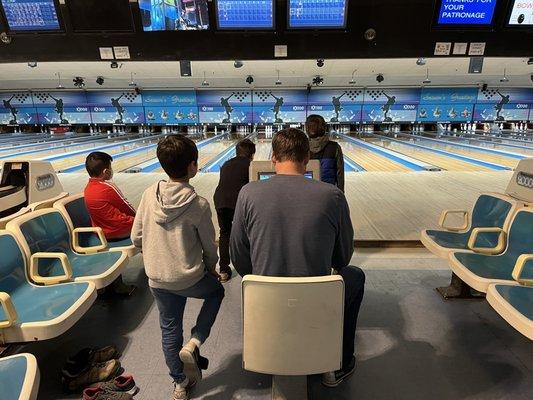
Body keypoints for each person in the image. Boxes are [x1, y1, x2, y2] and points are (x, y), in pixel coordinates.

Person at [230, 128, 365, 388]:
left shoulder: (247, 193)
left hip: (265, 298)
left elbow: (238, 257)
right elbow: (343, 258)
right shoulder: (333, 196)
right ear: (306, 159)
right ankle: (337, 364)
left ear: (273, 158)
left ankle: (270, 344)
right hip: (317, 298)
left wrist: (261, 270)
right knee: (355, 276)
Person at [131, 135, 224, 400]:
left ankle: (180, 384)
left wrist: (154, 253)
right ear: (193, 166)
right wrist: (212, 268)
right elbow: (210, 247)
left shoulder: (149, 195)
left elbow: (136, 238)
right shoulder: (199, 204)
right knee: (216, 292)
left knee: (169, 328)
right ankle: (195, 341)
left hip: (157, 279)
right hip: (190, 278)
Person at [84, 151, 136, 295]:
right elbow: (128, 207)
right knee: (148, 225)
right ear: (106, 171)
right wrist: (140, 219)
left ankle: (114, 284)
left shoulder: (87, 189)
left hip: (101, 234)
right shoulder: (108, 187)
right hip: (118, 232)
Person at [213, 139, 256, 283]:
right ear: (252, 154)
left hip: (220, 200)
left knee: (224, 233)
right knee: (248, 232)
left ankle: (224, 270)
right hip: (237, 200)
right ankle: (250, 268)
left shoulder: (225, 164)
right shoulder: (250, 165)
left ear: (236, 152)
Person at [305, 114, 345, 192]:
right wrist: (340, 194)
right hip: (329, 193)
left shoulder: (301, 147)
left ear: (307, 128)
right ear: (324, 128)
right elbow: (340, 175)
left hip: (307, 192)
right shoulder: (335, 147)